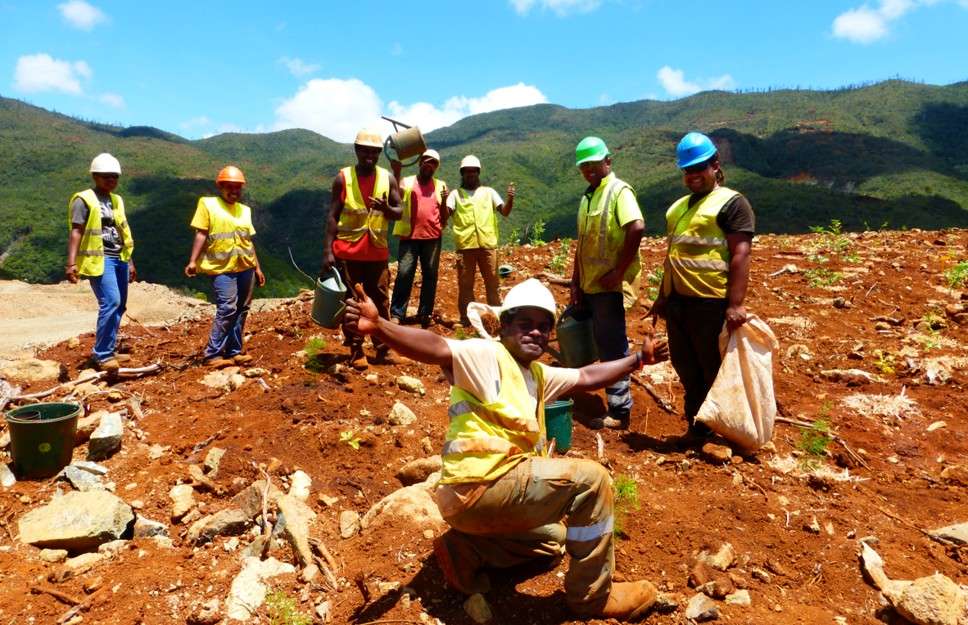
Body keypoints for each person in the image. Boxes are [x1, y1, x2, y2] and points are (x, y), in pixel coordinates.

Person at [343, 278, 669, 621]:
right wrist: (380, 327)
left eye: (544, 326)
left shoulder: (537, 375)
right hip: (481, 484)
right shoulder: (486, 355)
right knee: (593, 480)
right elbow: (436, 346)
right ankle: (591, 597)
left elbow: (588, 375)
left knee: (552, 539)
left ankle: (465, 551)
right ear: (503, 327)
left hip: (473, 500)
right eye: (525, 324)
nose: (536, 333)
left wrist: (637, 360)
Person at [651, 132, 755, 439]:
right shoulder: (677, 208)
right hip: (679, 302)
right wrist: (662, 298)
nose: (693, 175)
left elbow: (740, 252)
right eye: (687, 170)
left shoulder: (733, 204)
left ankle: (717, 430)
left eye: (699, 168)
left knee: (712, 368)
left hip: (711, 302)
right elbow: (673, 255)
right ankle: (696, 426)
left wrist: (735, 304)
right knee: (686, 366)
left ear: (715, 164)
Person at [570, 137, 645, 430]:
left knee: (613, 346)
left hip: (610, 287)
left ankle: (619, 410)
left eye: (593, 164)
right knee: (599, 341)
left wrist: (618, 271)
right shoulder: (588, 197)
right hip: (591, 285)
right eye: (584, 166)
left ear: (608, 162)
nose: (588, 170)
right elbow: (582, 245)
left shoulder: (618, 191)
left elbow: (636, 227)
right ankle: (606, 394)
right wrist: (576, 281)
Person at [320, 128, 402, 370]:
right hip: (348, 252)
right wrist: (328, 251)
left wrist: (386, 208)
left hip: (376, 251)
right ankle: (356, 349)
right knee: (353, 303)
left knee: (380, 299)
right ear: (356, 151)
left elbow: (399, 212)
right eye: (365, 150)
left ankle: (383, 348)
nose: (369, 155)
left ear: (379, 154)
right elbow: (333, 216)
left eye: (374, 152)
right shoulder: (343, 178)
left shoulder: (387, 178)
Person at [184, 165, 266, 368]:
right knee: (228, 307)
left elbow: (248, 241)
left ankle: (234, 351)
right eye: (229, 187)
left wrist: (257, 267)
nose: (234, 191)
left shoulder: (244, 210)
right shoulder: (208, 205)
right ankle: (213, 354)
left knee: (242, 308)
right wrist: (193, 260)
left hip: (245, 266)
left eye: (237, 188)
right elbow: (201, 233)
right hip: (221, 267)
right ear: (220, 187)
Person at [66, 153, 137, 372]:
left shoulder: (117, 200)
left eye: (114, 177)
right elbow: (76, 231)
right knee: (111, 302)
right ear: (95, 176)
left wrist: (131, 261)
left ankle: (109, 349)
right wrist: (71, 263)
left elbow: (121, 232)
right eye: (106, 176)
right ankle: (102, 355)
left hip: (120, 257)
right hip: (99, 259)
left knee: (120, 305)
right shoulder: (83, 199)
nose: (111, 180)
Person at [445, 155, 514, 327]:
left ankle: (496, 317)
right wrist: (442, 200)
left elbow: (504, 211)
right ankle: (467, 319)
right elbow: (444, 215)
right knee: (466, 285)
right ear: (462, 174)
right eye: (467, 171)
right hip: (465, 246)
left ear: (478, 172)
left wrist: (511, 198)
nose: (470, 174)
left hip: (487, 245)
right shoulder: (455, 195)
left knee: (492, 283)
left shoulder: (489, 192)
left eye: (473, 171)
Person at [389, 149, 447, 327]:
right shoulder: (407, 182)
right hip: (409, 236)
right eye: (426, 161)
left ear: (436, 167)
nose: (429, 164)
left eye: (433, 162)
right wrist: (397, 171)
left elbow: (444, 216)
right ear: (420, 162)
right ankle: (397, 313)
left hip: (433, 237)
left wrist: (445, 202)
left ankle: (425, 313)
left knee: (430, 275)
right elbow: (395, 196)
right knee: (405, 273)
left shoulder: (440, 185)